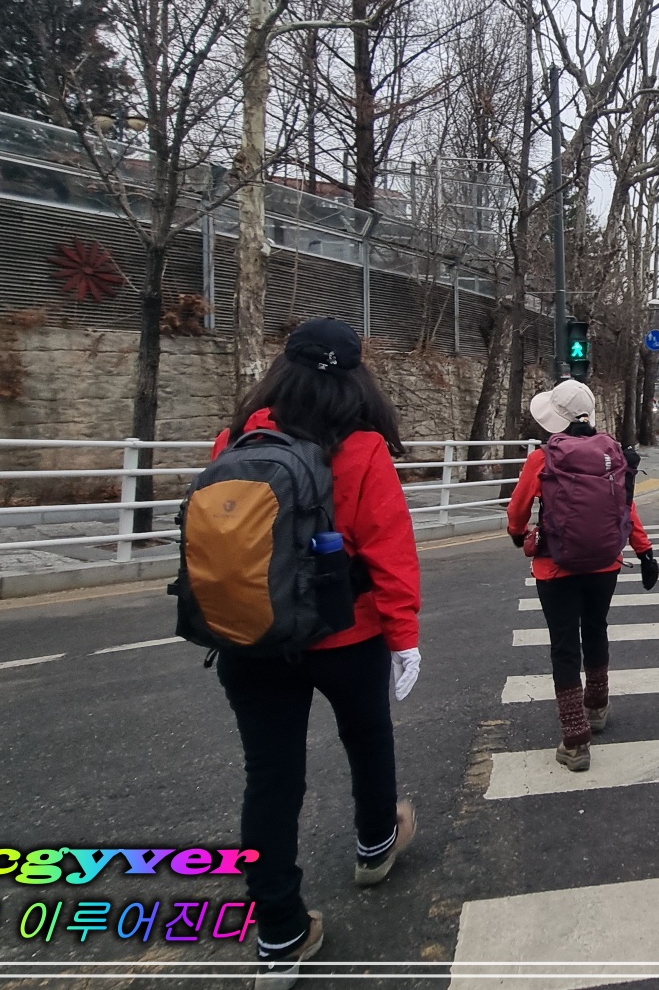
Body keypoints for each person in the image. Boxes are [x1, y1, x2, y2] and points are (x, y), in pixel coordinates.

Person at [209, 318, 422, 990]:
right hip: (346, 634)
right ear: (356, 379)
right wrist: (404, 637)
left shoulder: (237, 438)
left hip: (252, 635)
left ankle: (279, 934)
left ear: (283, 368)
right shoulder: (361, 448)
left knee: (270, 778)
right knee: (367, 738)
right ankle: (375, 845)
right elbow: (389, 550)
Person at [507, 379, 659, 772]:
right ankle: (597, 707)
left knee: (564, 645)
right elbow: (625, 507)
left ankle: (575, 741)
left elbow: (518, 508)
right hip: (604, 564)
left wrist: (517, 533)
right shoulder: (612, 454)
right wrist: (644, 551)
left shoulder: (542, 458)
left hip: (554, 567)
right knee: (595, 629)